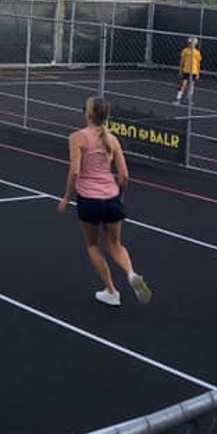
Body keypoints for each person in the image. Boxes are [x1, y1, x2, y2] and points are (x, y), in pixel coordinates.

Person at [58, 95, 152, 307]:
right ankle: (131, 273)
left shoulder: (77, 138)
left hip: (89, 199)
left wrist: (66, 197)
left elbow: (74, 172)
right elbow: (124, 176)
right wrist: (119, 193)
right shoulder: (112, 140)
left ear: (89, 115)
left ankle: (111, 290)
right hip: (111, 197)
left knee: (92, 244)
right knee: (115, 244)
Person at [175, 36, 202, 104]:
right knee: (183, 84)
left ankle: (189, 99)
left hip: (194, 71)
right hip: (186, 70)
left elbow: (198, 63)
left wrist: (198, 73)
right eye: (190, 43)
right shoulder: (185, 51)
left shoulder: (197, 53)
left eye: (193, 43)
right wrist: (180, 70)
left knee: (191, 85)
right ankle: (178, 98)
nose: (191, 44)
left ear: (195, 44)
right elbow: (182, 61)